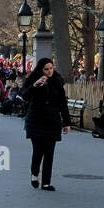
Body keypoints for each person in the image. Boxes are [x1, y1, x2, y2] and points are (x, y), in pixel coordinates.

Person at [22, 58, 73, 191]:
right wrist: (35, 85)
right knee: (38, 151)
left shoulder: (57, 80)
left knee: (49, 153)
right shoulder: (34, 79)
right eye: (46, 69)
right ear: (40, 69)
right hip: (36, 120)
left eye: (51, 68)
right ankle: (34, 173)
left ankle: (46, 182)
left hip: (52, 120)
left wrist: (67, 123)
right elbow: (24, 96)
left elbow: (63, 103)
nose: (49, 71)